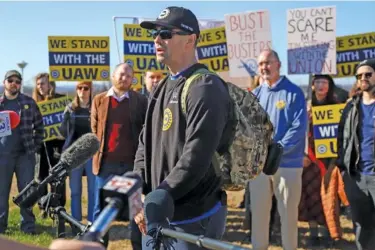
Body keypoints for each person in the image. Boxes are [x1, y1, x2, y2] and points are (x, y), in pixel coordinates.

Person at [134, 6, 231, 250]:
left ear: (190, 40)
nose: (157, 39)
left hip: (192, 219)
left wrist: (158, 198)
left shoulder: (206, 87)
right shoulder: (161, 86)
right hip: (157, 213)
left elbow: (196, 156)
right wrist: (139, 191)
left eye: (166, 34)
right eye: (155, 33)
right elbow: (144, 143)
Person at [251, 49, 307, 250]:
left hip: (287, 165)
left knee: (288, 216)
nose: (264, 67)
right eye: (260, 64)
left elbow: (299, 127)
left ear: (278, 64)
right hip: (259, 167)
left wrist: (278, 149)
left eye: (268, 62)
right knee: (258, 216)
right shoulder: (255, 94)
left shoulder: (294, 92)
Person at [91, 63, 147, 249]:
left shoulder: (140, 101)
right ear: (114, 76)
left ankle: (137, 246)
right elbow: (95, 128)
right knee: (101, 209)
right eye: (122, 74)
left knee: (136, 210)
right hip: (106, 164)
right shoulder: (99, 100)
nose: (125, 78)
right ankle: (98, 245)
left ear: (133, 80)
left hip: (132, 166)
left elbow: (145, 131)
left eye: (129, 76)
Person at [337, 59, 375, 250]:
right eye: (359, 76)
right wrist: (343, 169)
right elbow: (341, 137)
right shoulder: (351, 107)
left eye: (368, 74)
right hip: (357, 178)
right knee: (362, 228)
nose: (363, 78)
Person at [0, 70, 44, 234]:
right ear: (4, 82)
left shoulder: (29, 103)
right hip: (2, 156)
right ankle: (0, 226)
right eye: (10, 80)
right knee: (1, 192)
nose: (14, 83)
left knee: (26, 193)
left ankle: (28, 227)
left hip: (25, 156)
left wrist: (34, 147)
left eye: (17, 81)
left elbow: (40, 127)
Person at [60, 81, 95, 228]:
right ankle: (76, 222)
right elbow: (63, 131)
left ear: (90, 90)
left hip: (92, 153)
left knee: (93, 190)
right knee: (75, 190)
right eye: (79, 88)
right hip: (75, 153)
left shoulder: (96, 107)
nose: (82, 91)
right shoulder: (70, 108)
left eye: (85, 88)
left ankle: (92, 222)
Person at [32, 73, 66, 210]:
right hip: (41, 145)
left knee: (58, 176)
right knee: (41, 176)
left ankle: (58, 205)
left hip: (57, 144)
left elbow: (67, 122)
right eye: (38, 84)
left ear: (50, 85)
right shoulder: (34, 103)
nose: (40, 86)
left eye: (43, 83)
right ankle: (43, 206)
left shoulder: (61, 100)